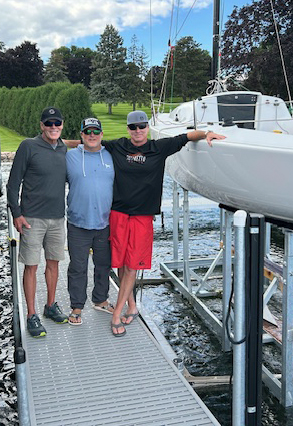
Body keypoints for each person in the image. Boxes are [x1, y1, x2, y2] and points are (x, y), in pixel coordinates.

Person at [102, 110, 225, 336]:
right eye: (133, 127)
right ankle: (132, 306)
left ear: (147, 128)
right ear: (128, 129)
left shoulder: (159, 148)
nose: (138, 131)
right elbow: (89, 142)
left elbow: (187, 136)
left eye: (141, 126)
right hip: (118, 214)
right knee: (120, 263)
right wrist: (57, 142)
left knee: (131, 266)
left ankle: (116, 313)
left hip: (142, 217)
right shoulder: (118, 146)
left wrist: (207, 133)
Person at [7, 106, 69, 337]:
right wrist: (17, 214)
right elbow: (13, 184)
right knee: (31, 266)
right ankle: (31, 314)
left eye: (57, 123)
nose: (53, 127)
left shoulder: (64, 149)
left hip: (57, 218)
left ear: (62, 125)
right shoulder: (28, 146)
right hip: (32, 218)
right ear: (42, 125)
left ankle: (50, 306)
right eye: (49, 123)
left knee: (53, 264)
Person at [66, 118, 115, 325]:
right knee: (78, 267)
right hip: (78, 223)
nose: (92, 135)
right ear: (82, 135)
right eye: (88, 132)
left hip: (105, 223)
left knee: (103, 265)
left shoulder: (111, 156)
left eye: (96, 131)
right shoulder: (69, 157)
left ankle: (101, 300)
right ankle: (77, 307)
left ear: (102, 135)